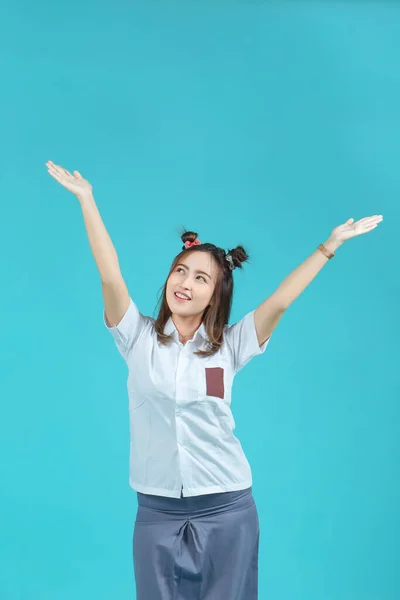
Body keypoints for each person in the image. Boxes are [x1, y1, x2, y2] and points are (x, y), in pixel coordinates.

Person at [45, 160, 383, 600]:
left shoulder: (231, 345)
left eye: (200, 277)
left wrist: (329, 245)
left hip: (228, 508)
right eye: (180, 271)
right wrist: (87, 200)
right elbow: (111, 275)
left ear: (215, 295)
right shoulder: (136, 336)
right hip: (157, 510)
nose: (184, 283)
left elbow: (280, 301)